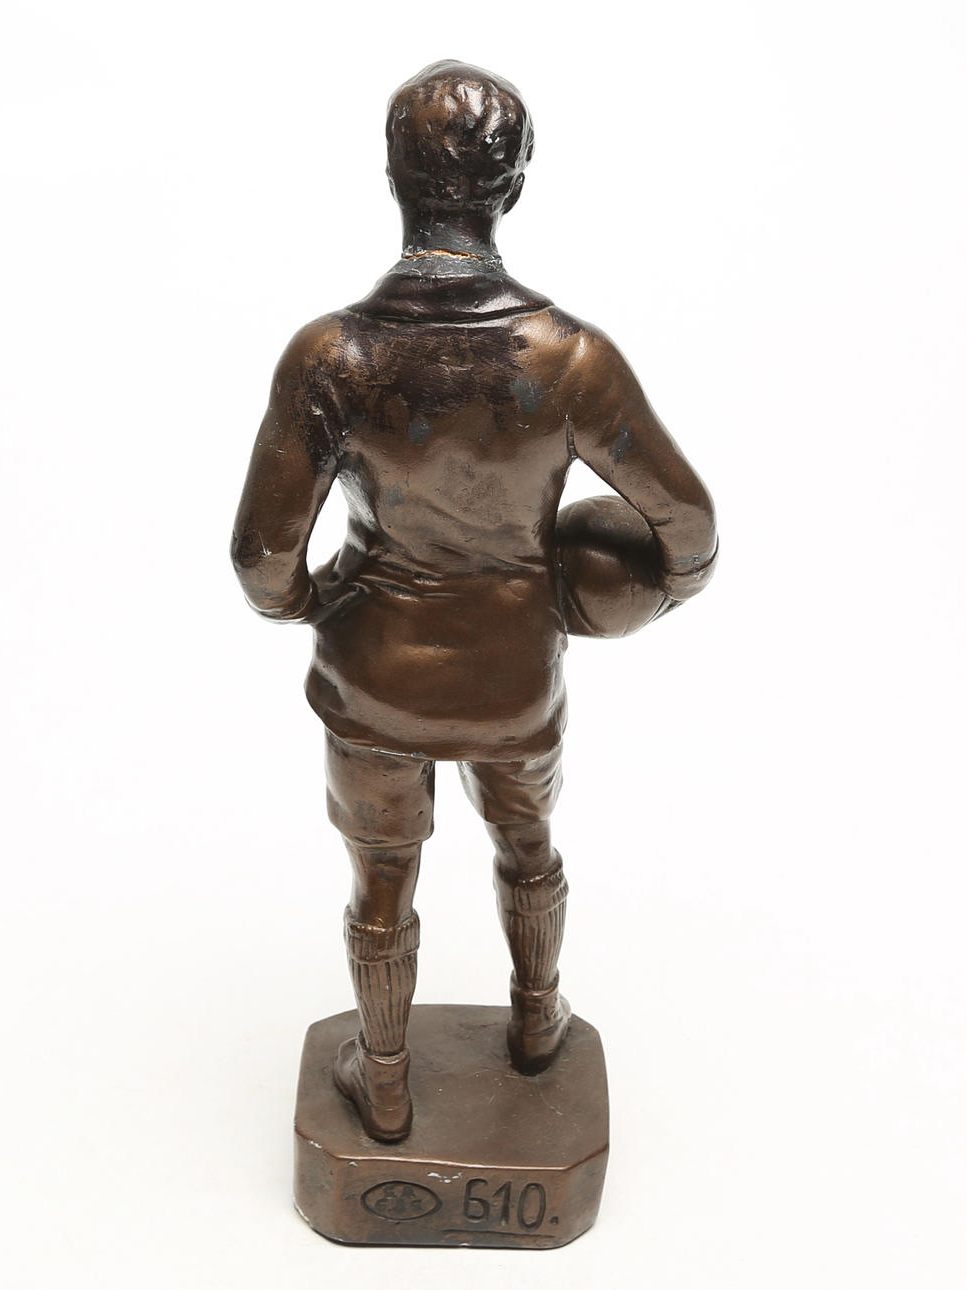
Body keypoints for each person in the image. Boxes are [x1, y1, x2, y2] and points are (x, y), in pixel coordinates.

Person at [230, 61, 717, 1142]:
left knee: (382, 880)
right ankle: (538, 1020)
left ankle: (385, 1078)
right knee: (529, 846)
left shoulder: (333, 356)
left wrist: (316, 602)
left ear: (392, 178)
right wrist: (621, 599)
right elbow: (689, 528)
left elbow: (262, 561)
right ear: (516, 186)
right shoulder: (572, 358)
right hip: (515, 676)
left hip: (373, 676)